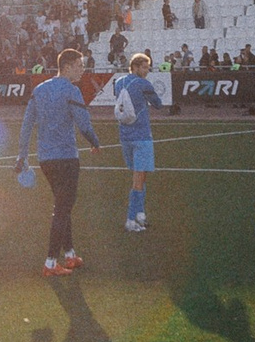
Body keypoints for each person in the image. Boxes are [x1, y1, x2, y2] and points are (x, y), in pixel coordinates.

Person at [13, 47, 102, 277]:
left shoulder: (40, 89)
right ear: (67, 66)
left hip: (46, 159)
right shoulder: (71, 90)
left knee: (63, 204)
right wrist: (94, 142)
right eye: (79, 65)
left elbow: (27, 124)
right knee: (63, 208)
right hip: (66, 157)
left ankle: (70, 254)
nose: (82, 70)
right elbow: (84, 124)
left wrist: (22, 155)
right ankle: (51, 262)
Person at [108, 51, 165, 232]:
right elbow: (158, 104)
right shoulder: (143, 84)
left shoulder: (119, 82)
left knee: (140, 175)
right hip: (142, 136)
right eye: (144, 67)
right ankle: (131, 219)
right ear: (135, 67)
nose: (147, 70)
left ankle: (140, 214)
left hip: (125, 136)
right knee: (138, 180)